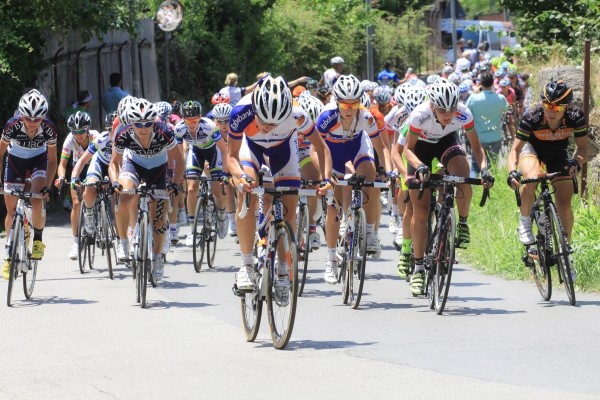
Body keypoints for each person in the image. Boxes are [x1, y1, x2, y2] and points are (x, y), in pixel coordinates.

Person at [227, 75, 332, 294]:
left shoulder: (298, 114)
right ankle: (246, 265)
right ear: (255, 109)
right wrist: (240, 177)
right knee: (247, 194)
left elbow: (321, 148)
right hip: (252, 148)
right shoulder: (241, 112)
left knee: (289, 208)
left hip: (283, 150)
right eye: (263, 121)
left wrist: (325, 179)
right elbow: (231, 157)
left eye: (274, 123)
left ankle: (284, 268)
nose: (267, 127)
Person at [403, 78, 494, 295]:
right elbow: (408, 150)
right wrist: (419, 167)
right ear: (432, 105)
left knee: (462, 176)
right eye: (442, 109)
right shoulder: (419, 115)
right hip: (420, 150)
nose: (447, 113)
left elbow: (476, 147)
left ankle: (462, 223)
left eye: (451, 109)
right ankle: (417, 269)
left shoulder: (463, 114)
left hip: (447, 142)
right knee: (421, 212)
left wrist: (484, 170)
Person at [507, 80, 587, 280]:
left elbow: (583, 149)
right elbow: (515, 150)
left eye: (557, 107)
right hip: (531, 150)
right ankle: (525, 222)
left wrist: (576, 163)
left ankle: (565, 254)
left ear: (566, 107)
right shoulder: (532, 117)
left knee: (565, 205)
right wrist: (511, 172)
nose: (551, 111)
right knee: (532, 177)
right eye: (548, 105)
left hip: (558, 153)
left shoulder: (576, 117)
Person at [317, 74, 392, 283]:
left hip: (356, 150)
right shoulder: (326, 117)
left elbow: (381, 147)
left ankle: (368, 232)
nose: (349, 109)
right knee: (334, 207)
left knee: (370, 179)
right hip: (331, 155)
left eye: (354, 104)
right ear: (336, 101)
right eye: (344, 104)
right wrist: (325, 175)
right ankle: (331, 259)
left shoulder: (365, 116)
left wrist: (387, 171)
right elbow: (316, 149)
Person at [109, 98, 184, 281]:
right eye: (138, 124)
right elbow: (114, 163)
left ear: (154, 122)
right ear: (131, 123)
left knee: (158, 220)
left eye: (148, 124)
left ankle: (157, 258)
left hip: (159, 170)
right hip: (134, 165)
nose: (143, 128)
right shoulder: (123, 133)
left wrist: (174, 183)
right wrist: (114, 182)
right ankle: (128, 238)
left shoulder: (164, 131)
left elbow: (179, 161)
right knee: (125, 195)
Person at [1, 89, 58, 279]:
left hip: (38, 161)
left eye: (37, 119)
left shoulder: (49, 128)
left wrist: (47, 186)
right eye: (28, 119)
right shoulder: (12, 125)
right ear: (21, 115)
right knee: (10, 211)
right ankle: (9, 257)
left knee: (36, 199)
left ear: (43, 117)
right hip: (15, 162)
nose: (33, 124)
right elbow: (0, 152)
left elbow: (52, 160)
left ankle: (38, 239)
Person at [174, 100, 228, 246]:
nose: (192, 123)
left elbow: (223, 150)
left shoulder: (210, 126)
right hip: (196, 152)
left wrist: (224, 173)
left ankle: (222, 214)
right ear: (183, 119)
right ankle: (193, 231)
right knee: (191, 189)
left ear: (200, 117)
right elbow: (180, 154)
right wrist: (181, 173)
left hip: (214, 152)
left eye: (195, 120)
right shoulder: (179, 129)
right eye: (188, 120)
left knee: (217, 191)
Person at [55, 111, 99, 259]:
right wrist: (61, 176)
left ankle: (96, 217)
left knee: (92, 194)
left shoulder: (95, 137)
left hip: (93, 167)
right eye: (75, 132)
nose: (78, 135)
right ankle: (75, 242)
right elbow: (62, 164)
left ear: (88, 129)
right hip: (78, 169)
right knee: (75, 203)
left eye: (81, 131)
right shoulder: (70, 140)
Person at [465, 72, 509, 176]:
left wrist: (476, 92)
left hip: (478, 138)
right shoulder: (500, 98)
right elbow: (507, 109)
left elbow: (465, 111)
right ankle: (493, 189)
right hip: (495, 136)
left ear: (480, 83)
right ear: (493, 82)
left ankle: (474, 189)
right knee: (493, 166)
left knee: (476, 167)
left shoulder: (473, 98)